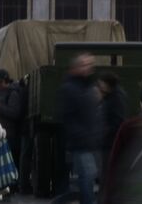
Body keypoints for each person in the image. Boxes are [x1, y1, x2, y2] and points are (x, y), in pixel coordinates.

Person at [59, 54, 101, 204]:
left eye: (90, 64)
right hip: (81, 142)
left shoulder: (88, 87)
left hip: (89, 141)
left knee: (87, 178)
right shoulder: (70, 88)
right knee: (87, 177)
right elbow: (68, 116)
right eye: (84, 64)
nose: (88, 67)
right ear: (75, 68)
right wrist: (81, 136)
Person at [0, 70, 24, 194]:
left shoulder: (13, 93)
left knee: (9, 162)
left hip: (10, 134)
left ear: (6, 81)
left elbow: (14, 113)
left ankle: (11, 186)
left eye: (0, 82)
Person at [96, 74, 127, 175]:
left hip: (109, 142)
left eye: (101, 84)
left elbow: (118, 121)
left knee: (107, 171)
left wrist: (105, 133)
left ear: (107, 84)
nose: (99, 86)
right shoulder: (112, 95)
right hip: (108, 140)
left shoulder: (116, 98)